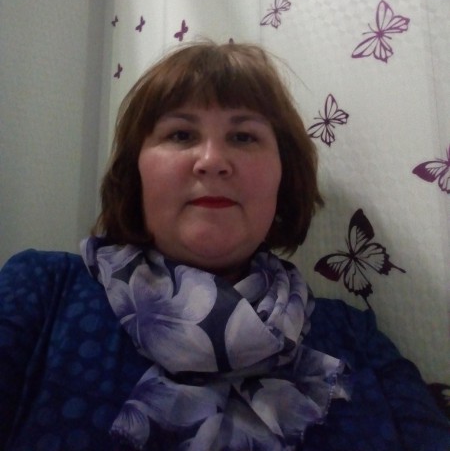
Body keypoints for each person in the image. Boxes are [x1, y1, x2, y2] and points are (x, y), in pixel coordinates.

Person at [0, 42, 448, 451]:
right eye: (180, 134)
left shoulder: (355, 337)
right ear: (136, 175)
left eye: (243, 137)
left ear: (283, 177)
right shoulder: (44, 292)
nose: (212, 161)